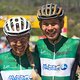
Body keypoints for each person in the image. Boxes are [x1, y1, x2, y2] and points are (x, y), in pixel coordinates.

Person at [34, 3, 80, 80]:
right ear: (40, 26)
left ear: (62, 24)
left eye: (54, 24)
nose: (50, 28)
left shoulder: (75, 44)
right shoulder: (39, 45)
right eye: (45, 24)